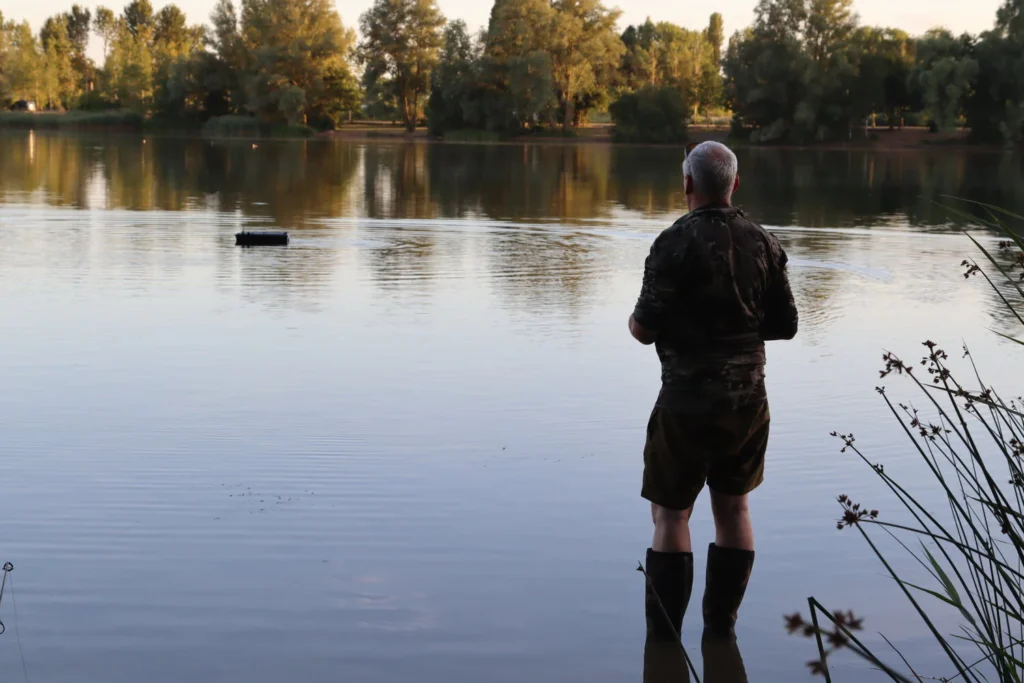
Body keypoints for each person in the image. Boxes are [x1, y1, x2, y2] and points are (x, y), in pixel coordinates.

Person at [629, 141, 798, 646]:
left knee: (671, 514)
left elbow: (643, 329)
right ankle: (721, 632)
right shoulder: (764, 243)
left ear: (687, 184)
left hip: (684, 403)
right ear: (734, 185)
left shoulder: (671, 244)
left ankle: (664, 642)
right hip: (747, 402)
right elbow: (786, 325)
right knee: (735, 510)